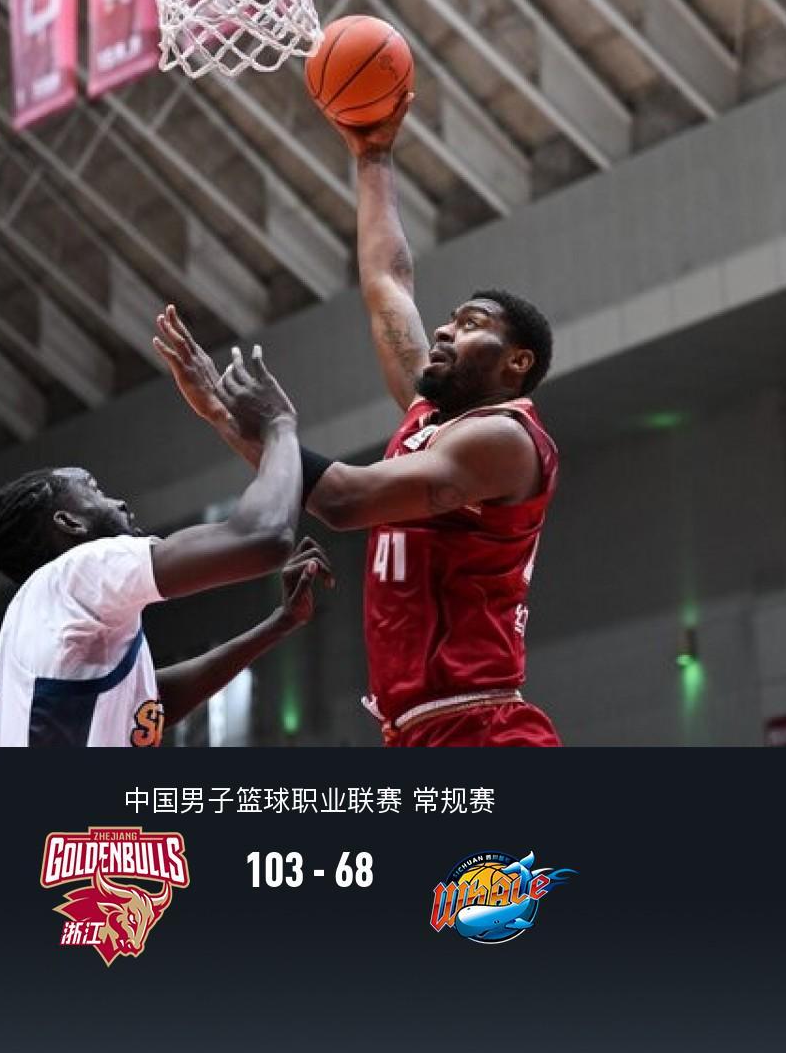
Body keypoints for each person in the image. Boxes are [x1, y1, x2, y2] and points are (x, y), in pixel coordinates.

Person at [154, 94, 559, 748]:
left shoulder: (504, 440)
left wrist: (276, 428)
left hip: (483, 729)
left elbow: (343, 501)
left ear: (517, 362)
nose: (445, 330)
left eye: (472, 325)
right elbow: (387, 281)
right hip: (419, 731)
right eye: (450, 319)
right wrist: (373, 156)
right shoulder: (431, 419)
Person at [0, 339, 332, 747]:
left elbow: (150, 705)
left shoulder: (16, 656)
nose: (119, 502)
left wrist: (277, 625)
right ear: (69, 522)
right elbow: (263, 537)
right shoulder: (81, 570)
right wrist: (279, 426)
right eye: (94, 490)